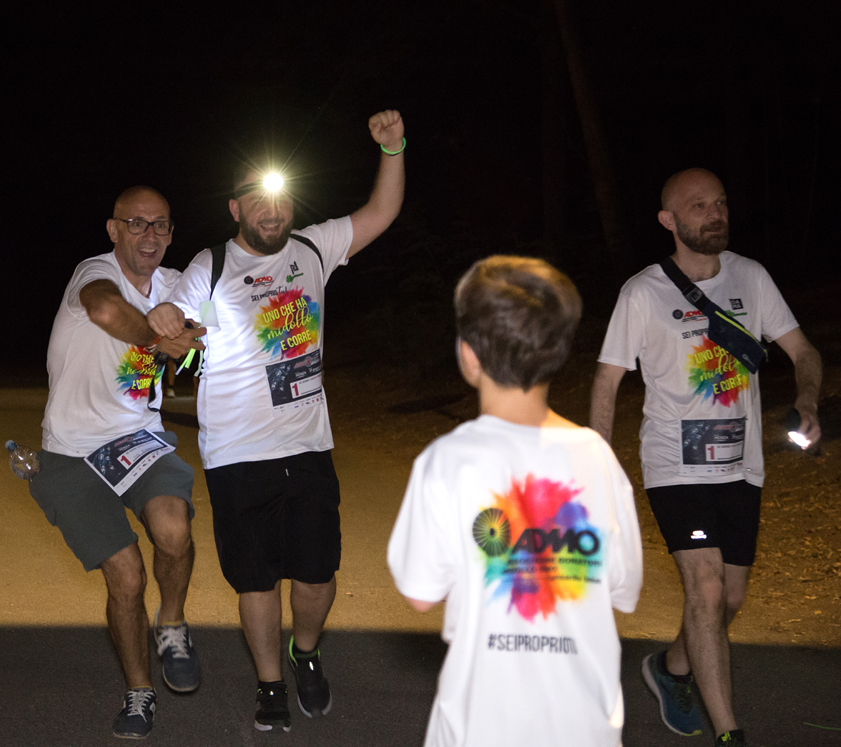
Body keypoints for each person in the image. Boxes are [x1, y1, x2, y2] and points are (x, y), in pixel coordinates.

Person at [147, 110, 406, 731]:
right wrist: (166, 323)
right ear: (236, 208)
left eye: (281, 198)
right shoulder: (210, 266)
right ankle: (269, 685)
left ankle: (305, 653)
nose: (272, 211)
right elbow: (172, 324)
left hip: (308, 446)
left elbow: (381, 212)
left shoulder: (314, 248)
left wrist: (393, 148)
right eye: (258, 201)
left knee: (317, 575)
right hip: (236, 454)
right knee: (256, 582)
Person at [590, 168, 822, 746]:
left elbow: (802, 350)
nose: (715, 213)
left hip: (742, 465)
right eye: (699, 206)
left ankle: (672, 667)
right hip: (674, 465)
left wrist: (807, 398)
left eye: (720, 202)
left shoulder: (752, 277)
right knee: (708, 588)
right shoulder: (643, 293)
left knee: (730, 598)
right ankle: (729, 734)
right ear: (668, 220)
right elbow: (607, 380)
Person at [387, 256, 643, 747]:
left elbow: (420, 592)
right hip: (584, 729)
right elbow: (622, 588)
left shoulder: (448, 461)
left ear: (468, 355)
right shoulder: (598, 458)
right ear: (559, 352)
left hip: (481, 725)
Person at [27, 186, 208, 740]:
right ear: (113, 230)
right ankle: (139, 690)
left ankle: (171, 622)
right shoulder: (94, 271)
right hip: (71, 451)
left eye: (161, 225)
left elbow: (214, 320)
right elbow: (106, 309)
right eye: (136, 223)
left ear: (172, 233)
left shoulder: (178, 284)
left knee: (173, 530)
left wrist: (194, 336)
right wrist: (158, 336)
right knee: (126, 576)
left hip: (136, 436)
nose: (149, 235)